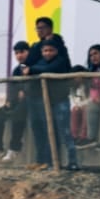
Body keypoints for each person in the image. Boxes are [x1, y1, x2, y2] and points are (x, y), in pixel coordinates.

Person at [30, 36, 75, 169]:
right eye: (45, 50)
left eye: (51, 50)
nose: (48, 53)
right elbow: (33, 66)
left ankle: (73, 162)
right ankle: (52, 163)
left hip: (61, 102)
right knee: (51, 132)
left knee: (65, 132)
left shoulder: (60, 61)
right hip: (49, 102)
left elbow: (48, 69)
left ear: (56, 51)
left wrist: (31, 70)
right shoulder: (42, 63)